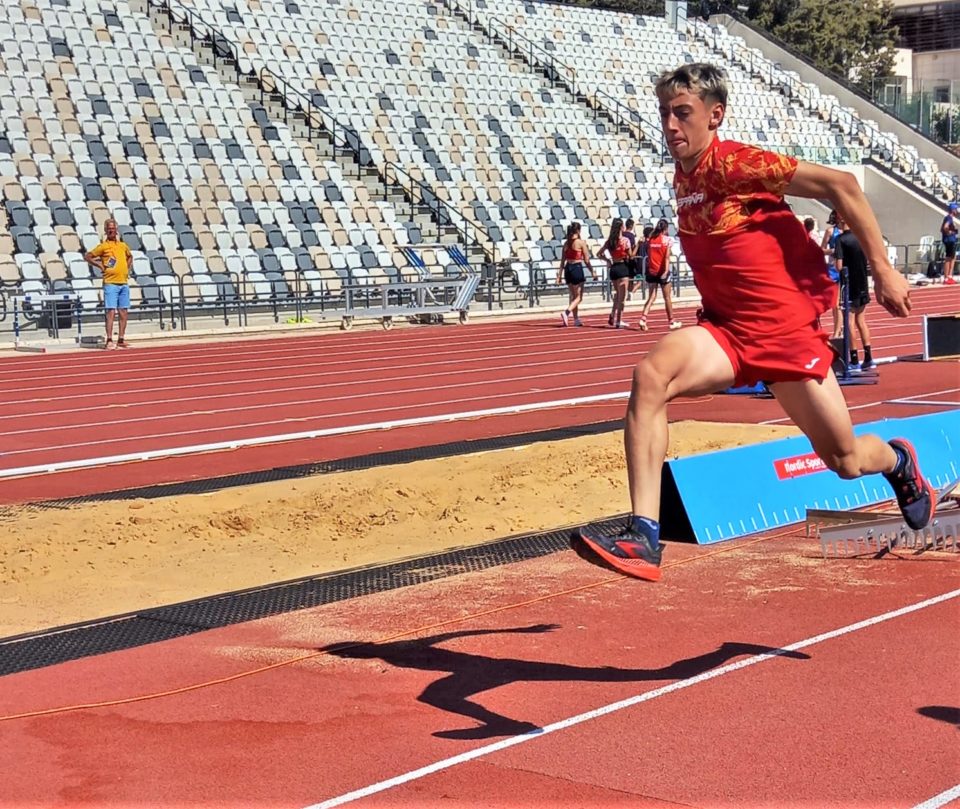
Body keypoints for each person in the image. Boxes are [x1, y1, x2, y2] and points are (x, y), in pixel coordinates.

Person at [578, 63, 935, 581]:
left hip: (786, 338)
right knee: (650, 377)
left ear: (714, 115)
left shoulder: (735, 163)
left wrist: (882, 267)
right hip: (726, 332)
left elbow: (841, 186)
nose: (671, 125)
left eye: (683, 114)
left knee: (846, 459)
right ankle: (644, 537)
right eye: (665, 114)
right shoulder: (684, 174)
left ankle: (899, 463)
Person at [84, 218, 133, 349]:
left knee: (123, 311)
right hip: (110, 282)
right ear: (106, 231)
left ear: (116, 230)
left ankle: (121, 338)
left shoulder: (123, 245)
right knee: (111, 311)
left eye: (113, 228)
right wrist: (99, 265)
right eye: (109, 229)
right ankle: (109, 339)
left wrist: (127, 270)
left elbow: (130, 256)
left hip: (123, 282)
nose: (112, 230)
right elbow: (88, 256)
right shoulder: (103, 246)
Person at [833, 213, 874, 370]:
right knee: (861, 321)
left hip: (849, 284)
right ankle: (869, 357)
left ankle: (855, 359)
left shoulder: (840, 240)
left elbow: (839, 266)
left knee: (849, 321)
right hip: (863, 282)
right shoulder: (861, 237)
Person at [637, 217, 682, 332]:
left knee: (652, 296)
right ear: (666, 228)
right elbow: (666, 258)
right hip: (662, 271)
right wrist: (666, 271)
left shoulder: (651, 239)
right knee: (667, 297)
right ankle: (671, 320)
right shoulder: (667, 240)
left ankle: (643, 317)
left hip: (652, 270)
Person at [597, 217, 633, 329]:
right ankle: (619, 320)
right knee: (622, 298)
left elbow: (599, 254)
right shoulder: (625, 241)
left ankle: (613, 315)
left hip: (614, 268)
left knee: (618, 294)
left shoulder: (610, 241)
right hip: (622, 267)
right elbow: (630, 255)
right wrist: (636, 247)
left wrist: (608, 260)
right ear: (621, 227)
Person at [557, 221, 593, 326]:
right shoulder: (581, 243)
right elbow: (586, 260)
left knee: (573, 296)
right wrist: (592, 272)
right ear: (578, 231)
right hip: (577, 268)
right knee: (579, 297)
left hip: (568, 269)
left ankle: (576, 319)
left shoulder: (566, 243)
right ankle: (566, 312)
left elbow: (562, 261)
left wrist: (559, 275)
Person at [820, 211, 843, 339]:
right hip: (833, 270)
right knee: (835, 303)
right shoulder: (830, 231)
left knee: (840, 303)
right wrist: (833, 251)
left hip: (847, 268)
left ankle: (838, 331)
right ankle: (837, 331)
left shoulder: (851, 231)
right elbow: (821, 249)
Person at [942, 201, 958, 284]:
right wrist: (950, 232)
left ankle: (950, 276)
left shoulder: (950, 218)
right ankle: (946, 277)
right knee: (948, 258)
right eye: (956, 209)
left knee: (953, 257)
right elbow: (945, 227)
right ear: (953, 210)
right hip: (949, 240)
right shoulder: (949, 218)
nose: (957, 211)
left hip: (951, 240)